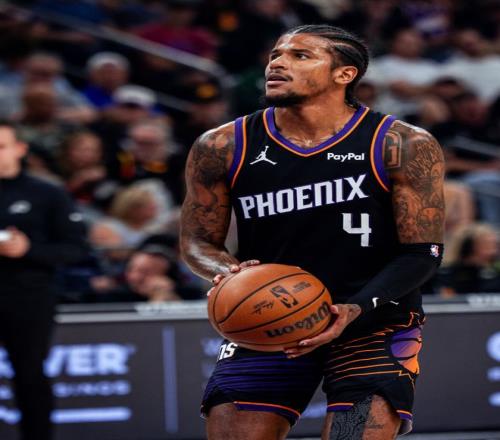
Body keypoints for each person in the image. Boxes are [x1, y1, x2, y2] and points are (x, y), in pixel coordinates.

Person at [180, 24, 445, 440]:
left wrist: (355, 309)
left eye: (300, 55)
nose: (278, 63)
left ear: (344, 74)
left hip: (372, 323)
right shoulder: (222, 145)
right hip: (269, 319)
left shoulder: (401, 143)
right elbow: (198, 241)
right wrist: (230, 273)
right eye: (276, 55)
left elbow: (422, 252)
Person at [0, 120, 88, 440]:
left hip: (28, 297)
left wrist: (28, 250)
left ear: (20, 149)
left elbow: (76, 249)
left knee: (30, 375)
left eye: (1, 146)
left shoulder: (47, 193)